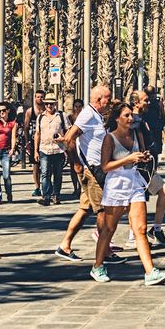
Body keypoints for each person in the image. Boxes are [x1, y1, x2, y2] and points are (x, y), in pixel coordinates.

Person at [92, 100, 165, 286]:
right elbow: (105, 166)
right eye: (126, 115)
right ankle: (97, 266)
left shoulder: (136, 134)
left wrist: (143, 157)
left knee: (141, 229)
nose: (130, 118)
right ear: (117, 119)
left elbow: (141, 153)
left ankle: (150, 272)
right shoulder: (109, 138)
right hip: (116, 185)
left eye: (131, 115)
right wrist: (127, 158)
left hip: (134, 182)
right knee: (109, 229)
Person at [54, 86, 118, 264]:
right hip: (92, 170)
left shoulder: (96, 115)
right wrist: (76, 162)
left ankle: (64, 246)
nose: (110, 102)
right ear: (99, 99)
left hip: (96, 168)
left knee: (85, 209)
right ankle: (104, 252)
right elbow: (70, 137)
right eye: (108, 98)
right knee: (103, 210)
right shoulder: (87, 114)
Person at [134, 87, 165, 246]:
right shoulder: (132, 120)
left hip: (147, 167)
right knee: (130, 205)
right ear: (136, 103)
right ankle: (133, 236)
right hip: (136, 169)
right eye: (146, 99)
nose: (149, 102)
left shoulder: (144, 117)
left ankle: (156, 229)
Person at [33, 96, 67, 205]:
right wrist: (36, 151)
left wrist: (63, 138)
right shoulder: (40, 117)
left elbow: (69, 130)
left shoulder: (61, 116)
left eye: (51, 104)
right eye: (47, 104)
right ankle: (46, 196)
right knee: (45, 174)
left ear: (55, 104)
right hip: (44, 149)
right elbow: (37, 134)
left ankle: (56, 195)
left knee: (58, 174)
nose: (49, 106)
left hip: (58, 149)